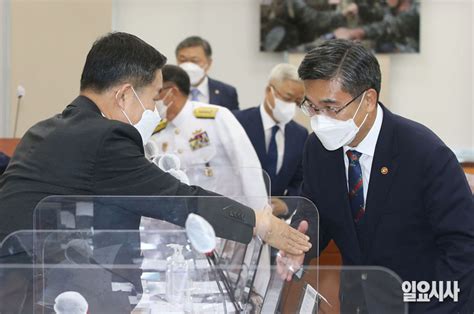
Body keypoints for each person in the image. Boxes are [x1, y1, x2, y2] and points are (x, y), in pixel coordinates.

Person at [0, 32, 311, 313]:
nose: (154, 111)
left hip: (31, 284)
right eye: (152, 98)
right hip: (29, 293)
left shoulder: (44, 129)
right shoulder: (106, 138)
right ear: (123, 95)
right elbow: (179, 199)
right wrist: (259, 222)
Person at [277, 39, 474, 313]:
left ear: (368, 100)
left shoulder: (425, 153)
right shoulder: (318, 149)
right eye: (311, 106)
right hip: (358, 302)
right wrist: (300, 247)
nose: (319, 119)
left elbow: (463, 246)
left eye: (331, 107)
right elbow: (318, 215)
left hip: (422, 303)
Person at [147, 65, 267, 209]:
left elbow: (248, 167)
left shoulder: (215, 117)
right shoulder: (157, 131)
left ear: (172, 92)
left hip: (228, 217)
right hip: (184, 220)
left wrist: (261, 216)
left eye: (155, 94)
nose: (152, 100)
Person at [234, 63, 308, 218]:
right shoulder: (237, 123)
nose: (291, 107)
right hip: (237, 215)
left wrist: (287, 204)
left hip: (275, 221)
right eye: (287, 98)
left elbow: (300, 181)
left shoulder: (300, 134)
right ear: (269, 90)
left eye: (297, 102)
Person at [175, 36, 239, 111]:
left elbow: (233, 120)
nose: (188, 65)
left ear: (208, 63)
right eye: (183, 60)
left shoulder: (226, 92)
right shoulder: (167, 91)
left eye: (195, 61)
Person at [334, 0, 420, 53]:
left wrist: (356, 32)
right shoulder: (392, 8)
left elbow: (389, 27)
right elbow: (377, 13)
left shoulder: (416, 11)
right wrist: (358, 8)